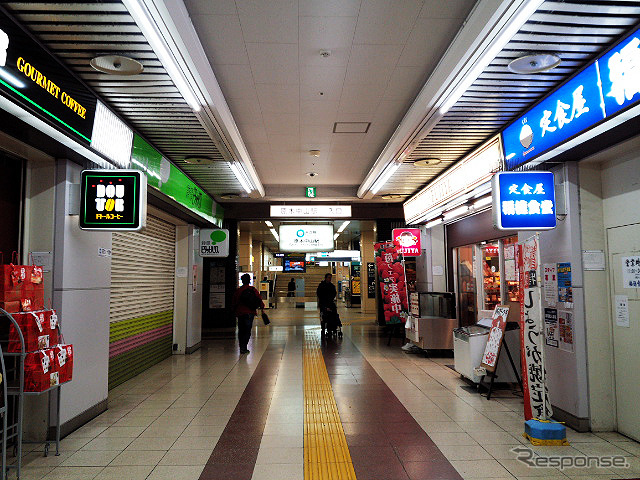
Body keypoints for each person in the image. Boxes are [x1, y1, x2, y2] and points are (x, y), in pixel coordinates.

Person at [232, 273, 265, 354]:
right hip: (250, 313)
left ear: (242, 281)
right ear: (249, 281)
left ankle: (241, 347)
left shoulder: (239, 291)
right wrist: (262, 308)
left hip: (240, 313)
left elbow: (234, 302)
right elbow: (259, 300)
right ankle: (244, 347)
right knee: (247, 330)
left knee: (241, 330)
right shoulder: (253, 290)